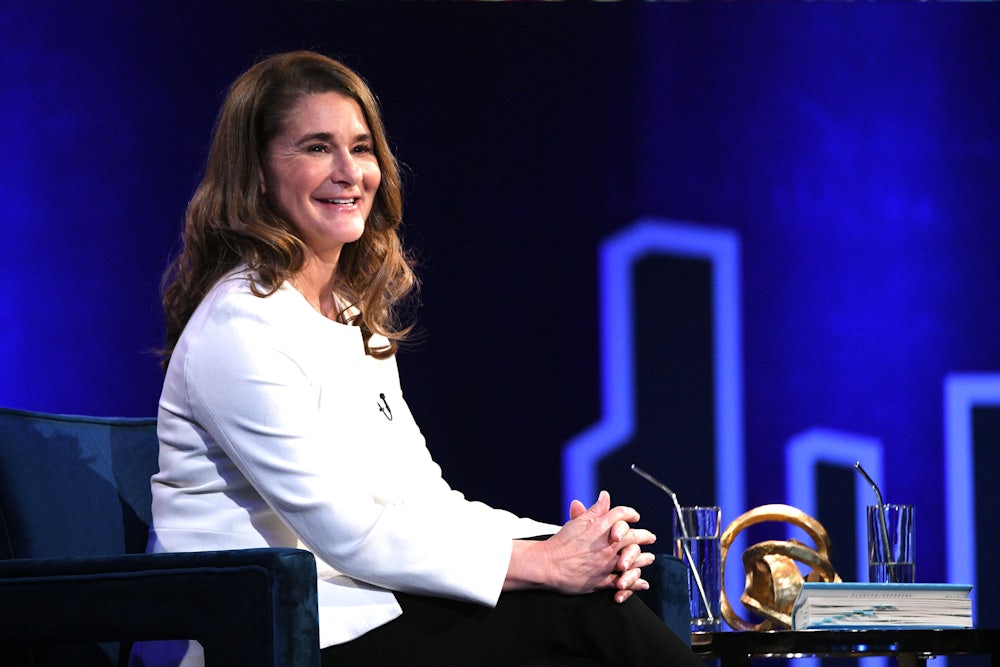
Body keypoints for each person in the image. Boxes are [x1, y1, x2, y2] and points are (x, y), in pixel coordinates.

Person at [131, 50, 703, 667]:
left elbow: (425, 502)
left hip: (360, 609)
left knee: (597, 602)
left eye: (361, 147)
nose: (349, 172)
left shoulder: (347, 316)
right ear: (259, 172)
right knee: (578, 615)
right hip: (266, 637)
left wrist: (564, 543)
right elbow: (347, 532)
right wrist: (543, 564)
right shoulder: (240, 326)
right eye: (317, 148)